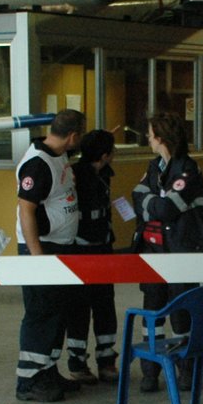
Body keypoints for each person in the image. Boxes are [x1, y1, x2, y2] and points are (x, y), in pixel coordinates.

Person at [131, 110, 203, 393]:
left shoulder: (188, 170)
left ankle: (185, 370)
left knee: (181, 313)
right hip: (153, 252)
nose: (147, 139)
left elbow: (165, 209)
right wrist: (153, 201)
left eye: (151, 134)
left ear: (162, 137)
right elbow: (136, 195)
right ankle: (150, 372)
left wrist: (150, 202)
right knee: (152, 313)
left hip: (181, 252)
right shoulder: (155, 167)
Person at [14, 109, 84, 402]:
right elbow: (26, 210)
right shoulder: (38, 164)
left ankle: (47, 370)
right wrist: (37, 257)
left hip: (60, 246)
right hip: (42, 249)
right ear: (73, 136)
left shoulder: (58, 155)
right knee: (40, 312)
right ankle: (28, 381)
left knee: (57, 312)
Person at [63, 128, 119, 385]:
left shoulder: (103, 174)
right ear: (105, 155)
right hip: (81, 250)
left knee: (105, 304)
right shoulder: (76, 174)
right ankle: (77, 363)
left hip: (103, 248)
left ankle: (107, 361)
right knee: (78, 307)